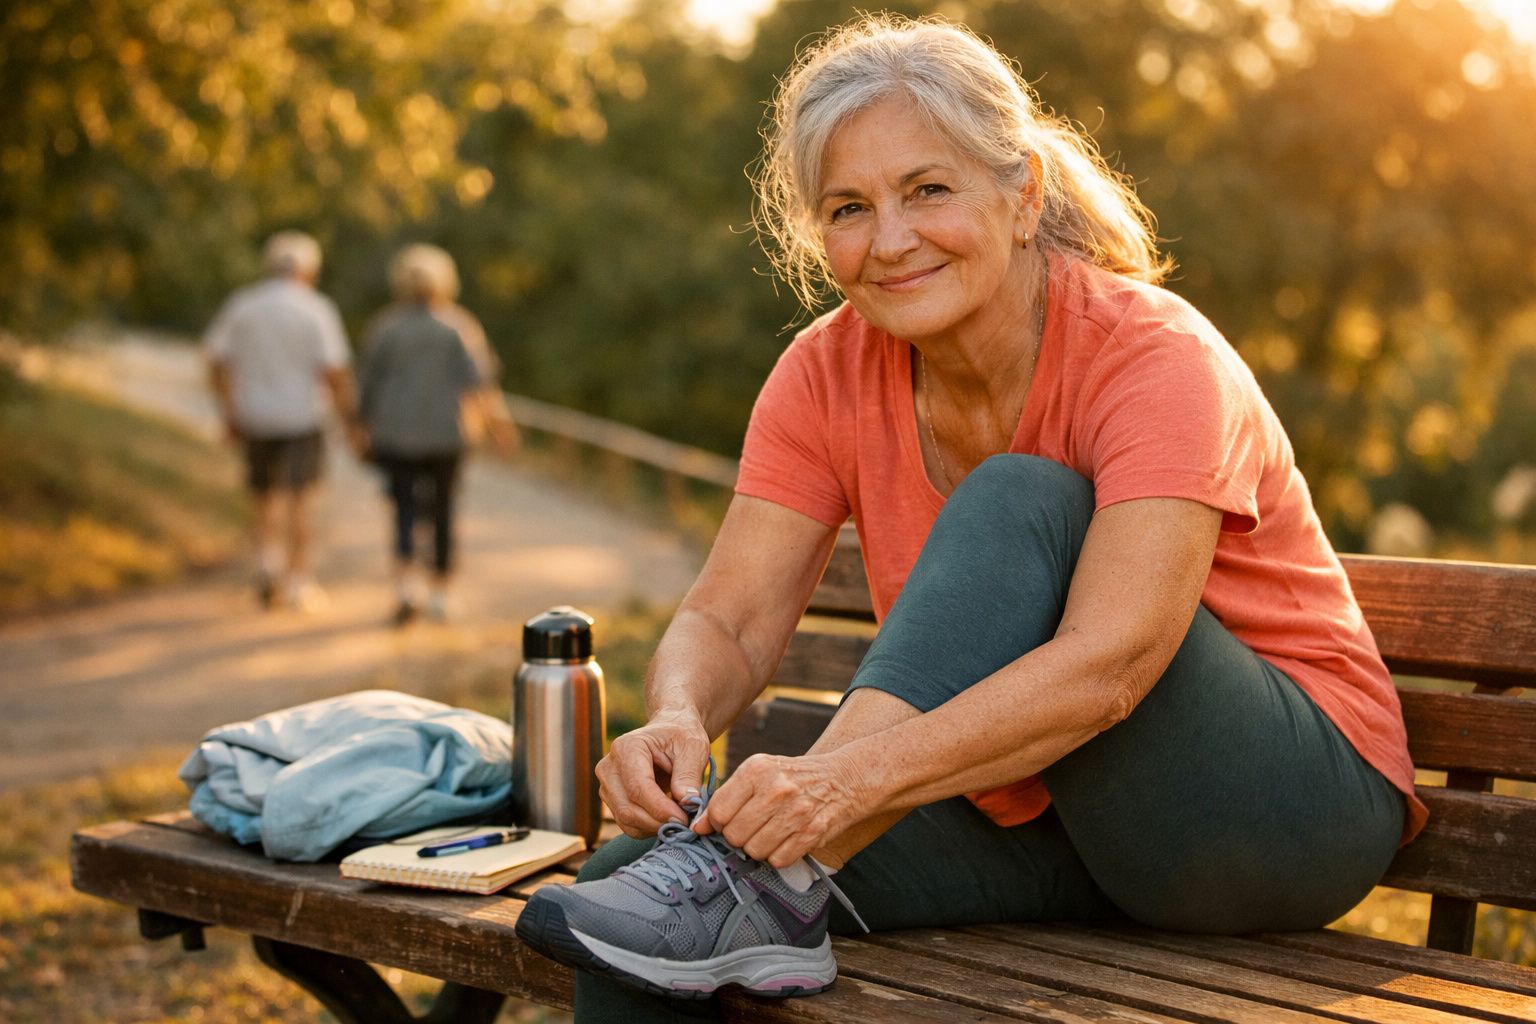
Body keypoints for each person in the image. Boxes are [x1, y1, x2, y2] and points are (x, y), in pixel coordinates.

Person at [515, 15, 1425, 1021]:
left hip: (1278, 807)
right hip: (1044, 817)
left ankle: (772, 876)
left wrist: (835, 789)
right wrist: (681, 710)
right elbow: (728, 620)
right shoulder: (824, 372)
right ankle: (757, 881)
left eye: (928, 189)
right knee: (632, 893)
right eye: (850, 208)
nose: (891, 240)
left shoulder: (1154, 357)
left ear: (1023, 193)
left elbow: (1112, 667)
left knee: (1020, 492)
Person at [352, 243, 518, 625]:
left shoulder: (385, 328)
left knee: (404, 509)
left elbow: (367, 386)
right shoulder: (458, 326)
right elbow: (481, 384)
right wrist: (500, 428)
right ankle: (441, 591)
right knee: (444, 510)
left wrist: (359, 427)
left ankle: (406, 585)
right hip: (447, 435)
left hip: (395, 435)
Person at [206, 230, 355, 612]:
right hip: (302, 417)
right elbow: (335, 371)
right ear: (309, 270)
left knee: (262, 498)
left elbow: (216, 360)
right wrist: (349, 419)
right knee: (301, 501)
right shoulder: (317, 309)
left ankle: (266, 567)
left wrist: (228, 410)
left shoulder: (243, 305)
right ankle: (297, 582)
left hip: (253, 415)